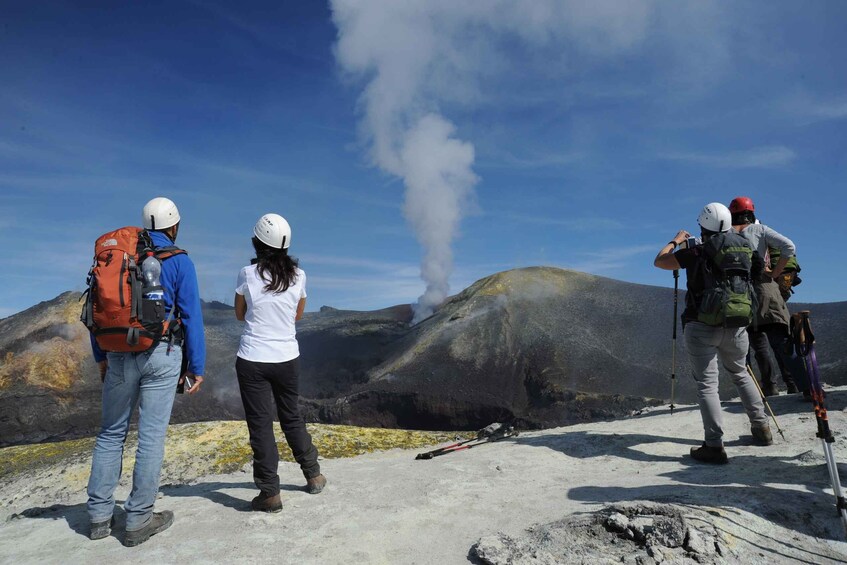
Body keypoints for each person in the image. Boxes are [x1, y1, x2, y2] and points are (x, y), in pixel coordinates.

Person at [87, 197, 206, 546]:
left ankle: (98, 517)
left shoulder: (118, 257)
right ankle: (138, 519)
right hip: (161, 353)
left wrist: (101, 356)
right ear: (175, 225)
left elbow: (99, 308)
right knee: (150, 437)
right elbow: (192, 316)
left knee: (111, 434)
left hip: (117, 352)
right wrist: (195, 366)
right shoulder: (179, 261)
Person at [654, 202, 772, 464]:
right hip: (736, 323)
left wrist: (675, 241)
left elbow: (659, 262)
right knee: (741, 373)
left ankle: (714, 446)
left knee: (708, 385)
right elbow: (760, 272)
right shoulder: (744, 247)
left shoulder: (697, 250)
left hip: (701, 325)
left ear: (703, 225)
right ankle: (762, 429)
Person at [234, 213, 325, 513]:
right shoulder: (300, 276)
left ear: (257, 243)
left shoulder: (247, 274)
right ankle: (313, 474)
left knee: (260, 425)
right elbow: (297, 315)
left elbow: (239, 313)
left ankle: (270, 493)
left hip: (253, 359)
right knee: (292, 416)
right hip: (288, 358)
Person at [728, 196, 798, 396]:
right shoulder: (761, 230)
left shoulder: (727, 234)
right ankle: (794, 384)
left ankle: (769, 387)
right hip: (766, 290)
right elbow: (789, 247)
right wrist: (775, 273)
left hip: (741, 294)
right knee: (781, 341)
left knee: (758, 345)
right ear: (752, 213)